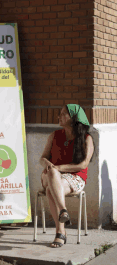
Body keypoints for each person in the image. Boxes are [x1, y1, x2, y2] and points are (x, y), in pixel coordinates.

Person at [40, 104, 94, 248]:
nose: (59, 117)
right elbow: (43, 158)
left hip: (75, 178)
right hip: (51, 175)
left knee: (50, 190)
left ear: (74, 118)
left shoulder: (86, 139)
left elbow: (83, 165)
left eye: (64, 114)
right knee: (52, 174)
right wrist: (50, 166)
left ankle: (61, 232)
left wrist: (59, 168)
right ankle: (63, 210)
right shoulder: (54, 135)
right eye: (60, 114)